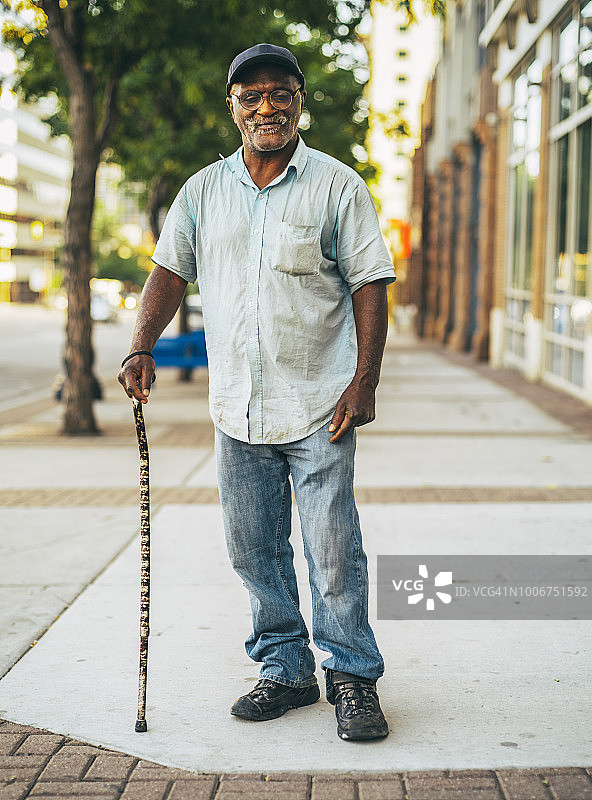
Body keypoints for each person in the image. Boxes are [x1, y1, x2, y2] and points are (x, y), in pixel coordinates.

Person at [118, 43, 396, 742]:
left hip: (319, 405)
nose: (265, 107)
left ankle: (352, 676)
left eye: (279, 93)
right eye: (251, 97)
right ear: (233, 108)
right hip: (237, 408)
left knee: (333, 550)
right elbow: (168, 273)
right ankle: (286, 669)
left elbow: (370, 283)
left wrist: (364, 382)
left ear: (300, 101)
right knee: (254, 550)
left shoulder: (338, 186)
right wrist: (141, 344)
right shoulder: (203, 192)